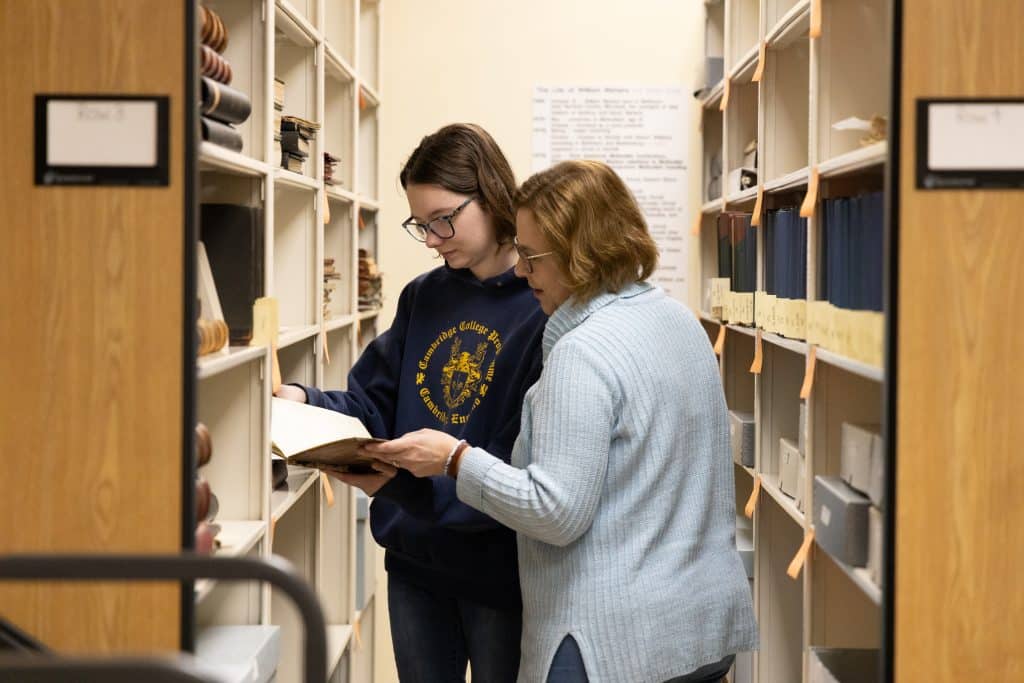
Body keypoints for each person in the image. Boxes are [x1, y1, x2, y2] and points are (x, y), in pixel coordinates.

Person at [365, 159, 759, 683]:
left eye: (532, 256)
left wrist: (454, 459)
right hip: (699, 633)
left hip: (610, 645)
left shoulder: (583, 352)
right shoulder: (679, 321)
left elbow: (555, 511)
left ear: (581, 252)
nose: (522, 271)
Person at [274, 123, 546, 682]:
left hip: (499, 571)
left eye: (444, 219)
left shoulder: (541, 303)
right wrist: (301, 400)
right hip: (414, 563)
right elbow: (371, 406)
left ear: (492, 196)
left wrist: (413, 485)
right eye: (421, 225)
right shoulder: (424, 294)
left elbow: (518, 464)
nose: (432, 239)